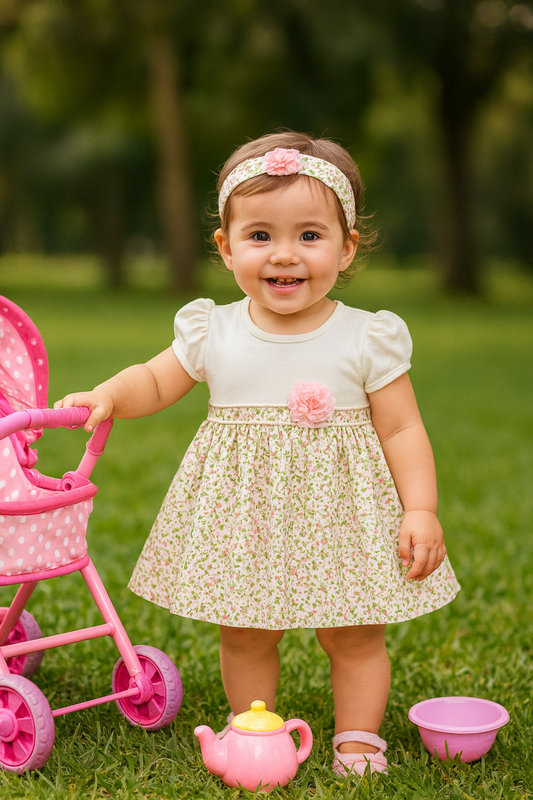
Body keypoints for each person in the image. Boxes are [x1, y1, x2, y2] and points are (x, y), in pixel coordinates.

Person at [56, 131, 460, 777]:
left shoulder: (366, 336)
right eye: (260, 236)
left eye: (308, 235)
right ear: (225, 246)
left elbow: (402, 430)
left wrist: (421, 508)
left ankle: (357, 741)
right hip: (244, 518)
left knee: (354, 632)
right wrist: (110, 393)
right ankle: (253, 726)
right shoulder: (213, 328)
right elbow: (157, 379)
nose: (284, 256)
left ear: (346, 245)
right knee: (244, 630)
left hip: (343, 517)